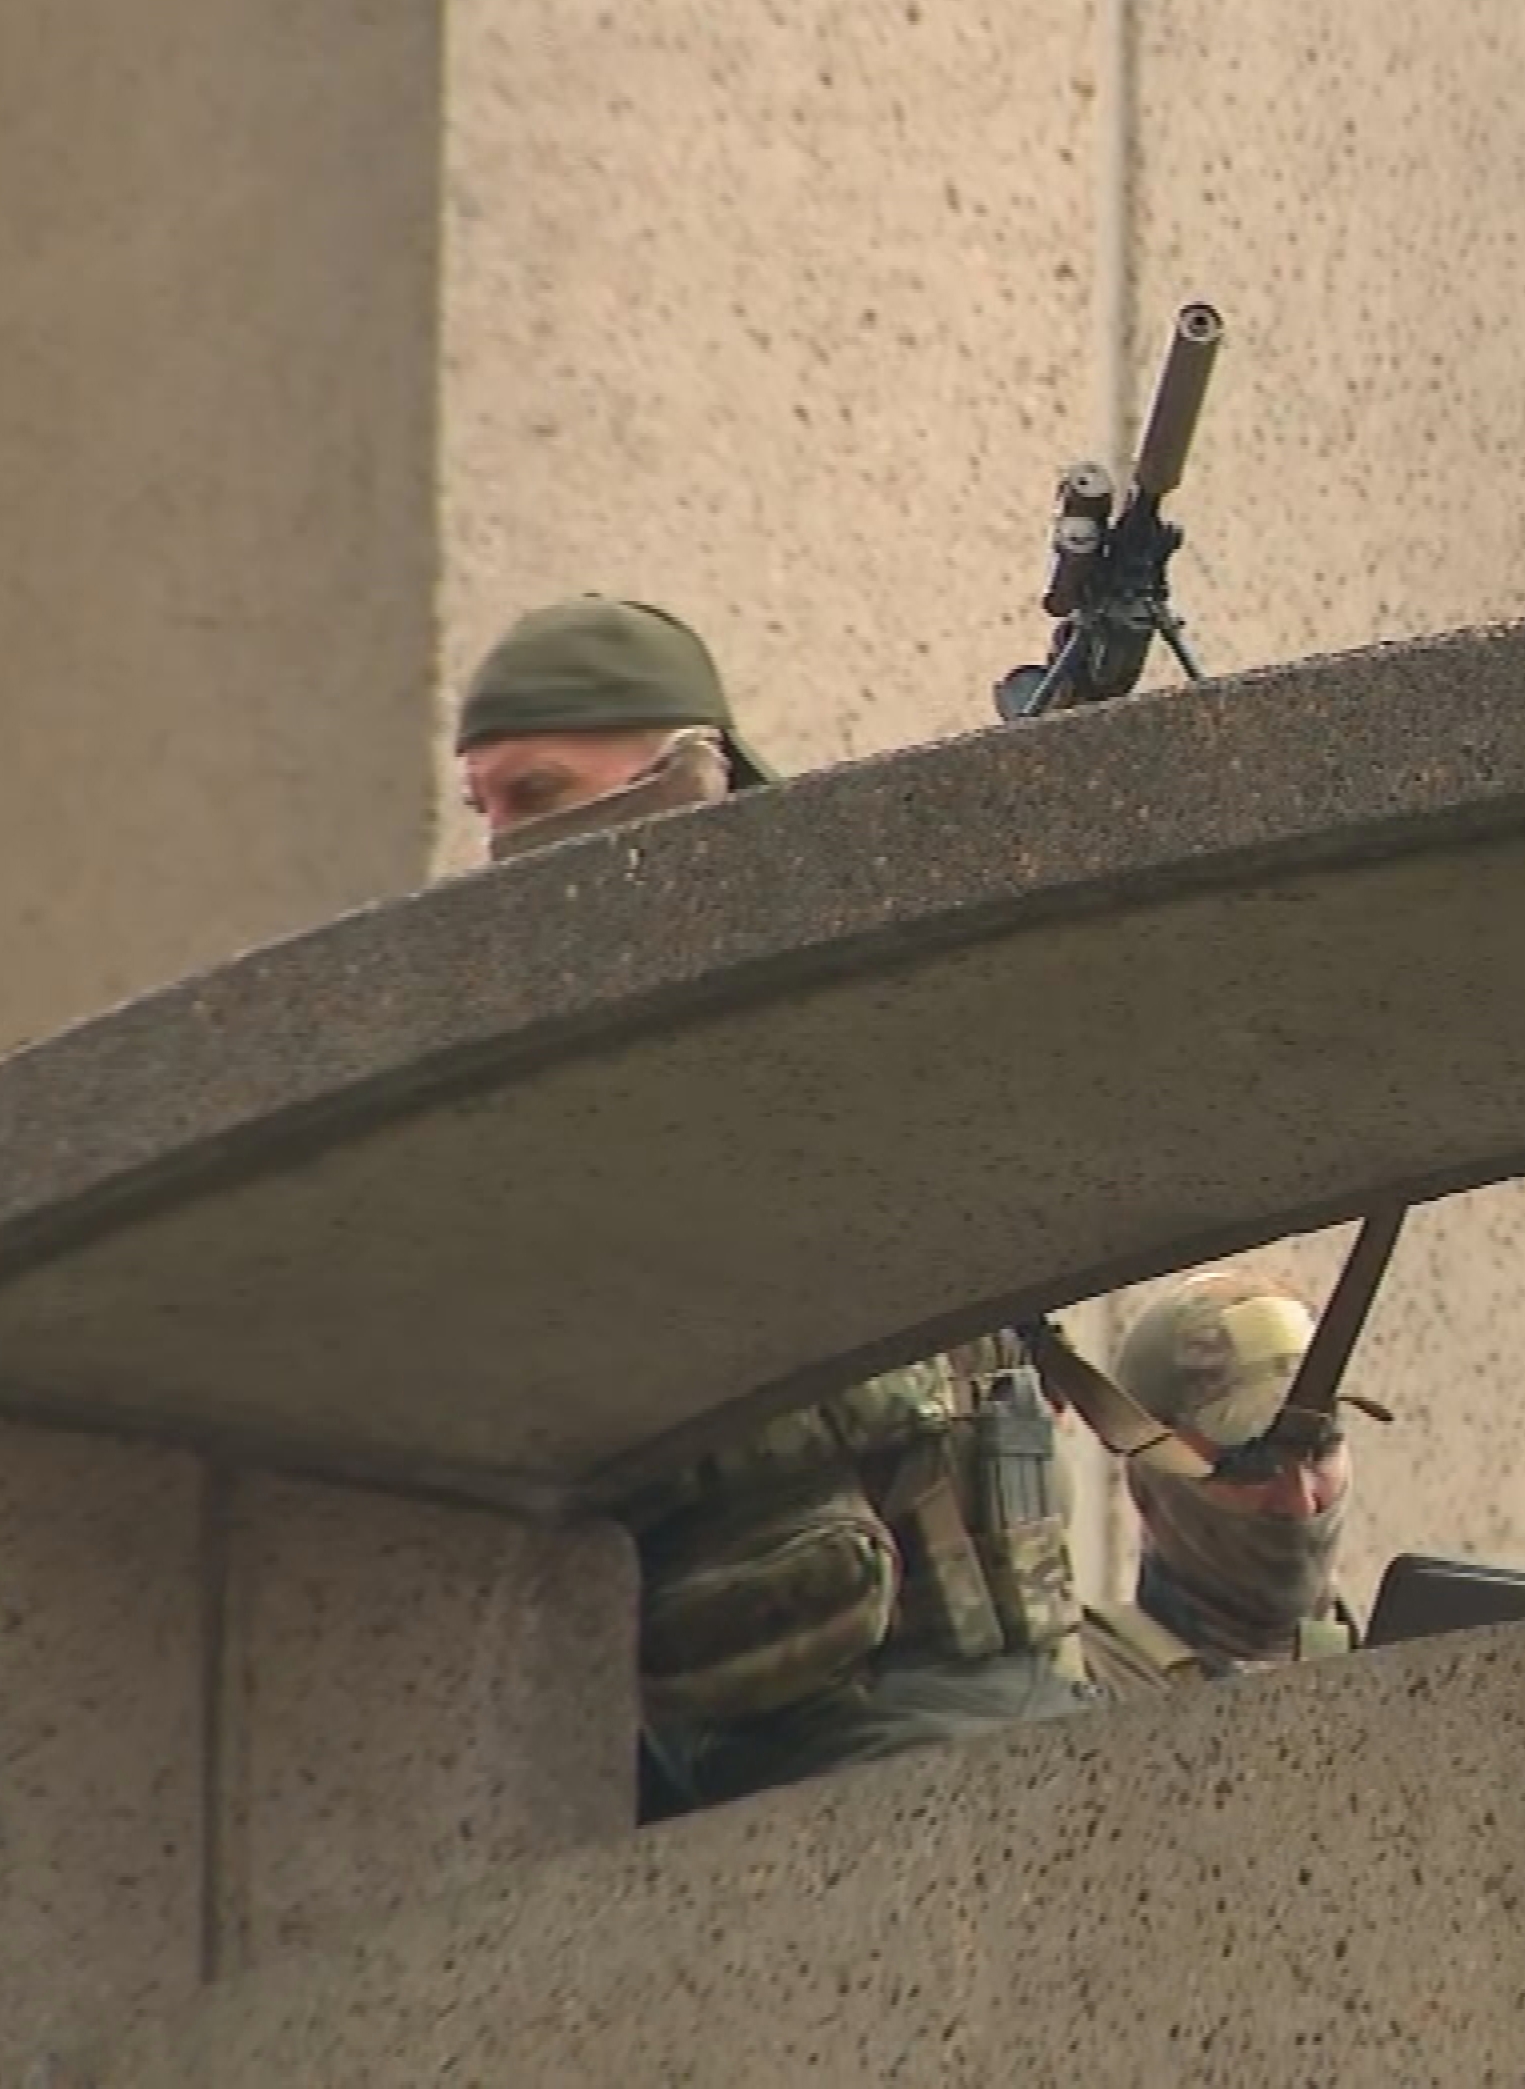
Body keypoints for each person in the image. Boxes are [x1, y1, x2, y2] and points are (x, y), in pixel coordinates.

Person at [454, 596, 1090, 1814]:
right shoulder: (559, 1092)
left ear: (691, 778)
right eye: (480, 808)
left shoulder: (839, 1031)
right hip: (683, 1749)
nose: (499, 849)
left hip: (927, 1722)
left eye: (536, 795)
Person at [1078, 1269, 1371, 1696]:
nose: (1299, 1502)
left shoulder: (1412, 1664)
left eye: (1320, 1449)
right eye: (1249, 1462)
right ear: (1150, 1483)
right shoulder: (1077, 1690)